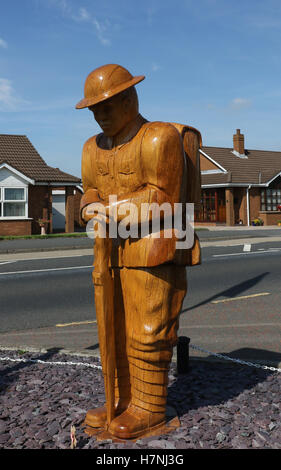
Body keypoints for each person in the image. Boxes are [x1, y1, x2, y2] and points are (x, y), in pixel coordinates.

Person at [75, 64, 201, 439]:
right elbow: (90, 190)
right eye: (96, 110)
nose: (101, 116)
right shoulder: (90, 148)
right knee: (113, 328)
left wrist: (109, 212)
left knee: (149, 331)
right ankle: (119, 400)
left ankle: (149, 406)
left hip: (154, 250)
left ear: (130, 98)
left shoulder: (158, 138)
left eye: (108, 107)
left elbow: (164, 196)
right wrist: (88, 207)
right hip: (110, 254)